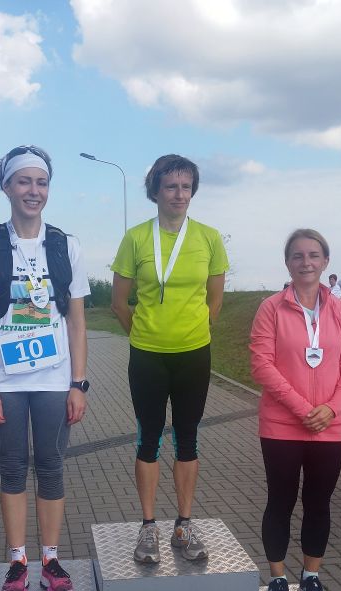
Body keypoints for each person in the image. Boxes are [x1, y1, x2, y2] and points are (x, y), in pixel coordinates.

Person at [0, 144, 90, 591]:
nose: (33, 191)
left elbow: (77, 321)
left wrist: (78, 383)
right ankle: (17, 562)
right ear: (7, 187)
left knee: (52, 468)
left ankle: (50, 559)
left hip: (54, 379)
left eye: (41, 182)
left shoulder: (65, 246)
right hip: (6, 382)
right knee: (13, 468)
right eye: (24, 181)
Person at [110, 154, 229, 563]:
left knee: (187, 437)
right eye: (171, 186)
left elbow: (215, 302)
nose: (179, 194)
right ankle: (148, 527)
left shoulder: (209, 238)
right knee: (148, 438)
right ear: (156, 191)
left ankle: (184, 524)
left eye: (186, 187)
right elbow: (119, 302)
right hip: (148, 355)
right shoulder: (136, 238)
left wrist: (192, 331)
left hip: (193, 354)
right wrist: (145, 334)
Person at [250, 229, 341, 591]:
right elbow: (261, 364)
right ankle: (277, 580)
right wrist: (302, 408)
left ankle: (311, 577)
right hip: (282, 425)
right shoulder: (270, 308)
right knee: (280, 501)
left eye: (314, 255)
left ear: (325, 261)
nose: (306, 262)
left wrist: (331, 408)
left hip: (330, 426)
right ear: (287, 263)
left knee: (318, 503)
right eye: (297, 255)